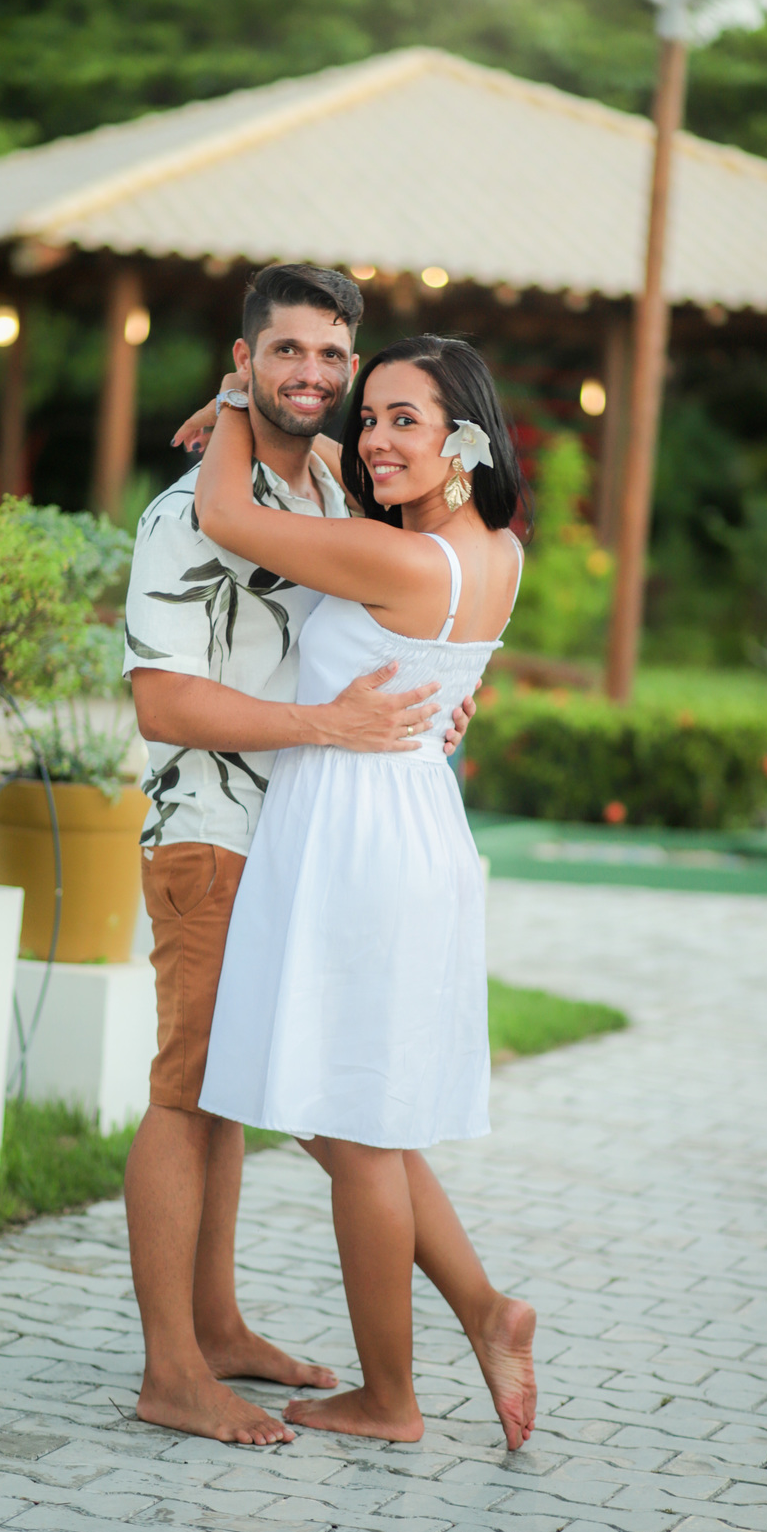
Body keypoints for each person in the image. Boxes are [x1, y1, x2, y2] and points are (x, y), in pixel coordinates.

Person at [121, 265, 476, 1447]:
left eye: (331, 355)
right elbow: (164, 703)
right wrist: (325, 727)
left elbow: (391, 625)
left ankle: (217, 1326)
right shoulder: (186, 512)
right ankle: (172, 1371)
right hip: (215, 832)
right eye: (285, 352)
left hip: (306, 846)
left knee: (235, 1094)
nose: (312, 374)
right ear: (244, 359)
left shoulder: (331, 491)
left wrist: (437, 700)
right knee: (187, 1093)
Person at [194, 333, 538, 1450]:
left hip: (356, 838)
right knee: (348, 1116)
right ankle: (484, 1309)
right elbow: (431, 648)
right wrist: (320, 434)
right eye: (370, 414)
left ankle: (391, 1399)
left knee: (349, 1121)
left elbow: (226, 517)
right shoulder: (495, 552)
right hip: (407, 819)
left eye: (405, 421)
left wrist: (238, 399)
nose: (375, 440)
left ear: (463, 443)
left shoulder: (402, 561)